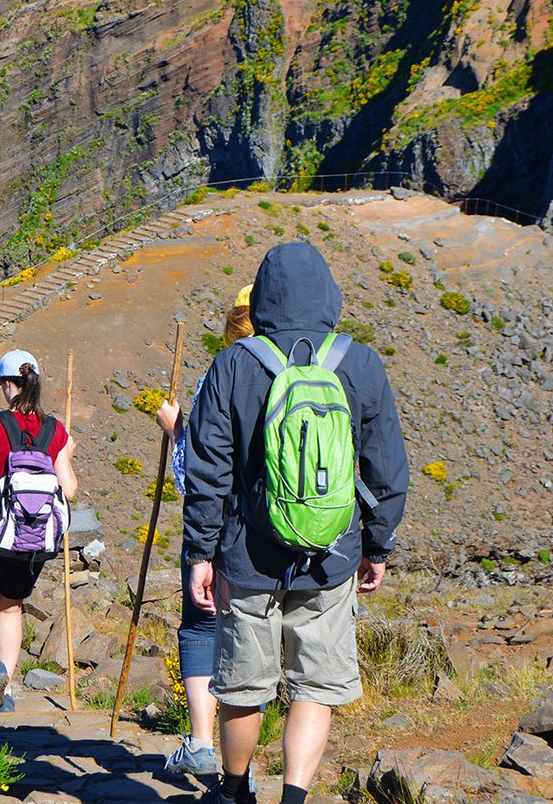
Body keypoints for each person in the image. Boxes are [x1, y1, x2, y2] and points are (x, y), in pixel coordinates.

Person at [183, 243, 409, 804]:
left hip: (247, 554)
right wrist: (376, 548)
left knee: (243, 685)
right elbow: (387, 467)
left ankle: (234, 791)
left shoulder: (234, 363)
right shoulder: (359, 362)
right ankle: (295, 798)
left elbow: (209, 469)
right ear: (329, 295)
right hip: (330, 555)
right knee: (317, 686)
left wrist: (200, 554)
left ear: (260, 299)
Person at [154, 285, 253, 776]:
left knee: (202, 625)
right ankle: (247, 760)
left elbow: (191, 474)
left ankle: (202, 743)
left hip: (219, 530)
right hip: (282, 534)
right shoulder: (309, 370)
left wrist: (176, 429)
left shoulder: (222, 375)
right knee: (256, 636)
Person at [0, 350, 77, 713]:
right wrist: (65, 453)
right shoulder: (55, 429)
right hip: (35, 539)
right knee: (10, 607)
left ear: (9, 385)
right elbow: (69, 490)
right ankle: (7, 693)